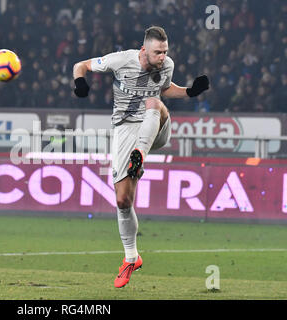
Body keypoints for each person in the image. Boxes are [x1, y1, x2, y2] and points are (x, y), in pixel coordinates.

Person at [73, 26, 209, 288]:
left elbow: (165, 90)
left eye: (165, 52)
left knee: (153, 103)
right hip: (125, 128)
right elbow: (81, 65)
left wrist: (191, 91)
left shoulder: (166, 64)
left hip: (155, 125)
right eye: (158, 52)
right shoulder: (121, 60)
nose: (163, 57)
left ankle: (140, 155)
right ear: (143, 49)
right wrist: (80, 83)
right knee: (123, 200)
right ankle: (131, 258)